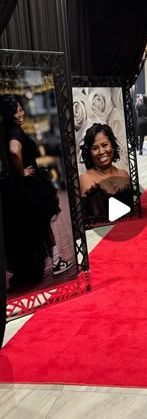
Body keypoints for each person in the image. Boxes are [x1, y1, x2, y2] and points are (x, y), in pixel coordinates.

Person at [0, 95, 72, 290]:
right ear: (9, 114)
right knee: (43, 222)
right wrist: (22, 171)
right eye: (16, 111)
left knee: (37, 225)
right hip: (29, 185)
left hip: (21, 187)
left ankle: (53, 261)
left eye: (21, 109)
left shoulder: (8, 130)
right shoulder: (15, 132)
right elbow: (14, 151)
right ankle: (57, 261)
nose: (21, 113)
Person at [79, 123, 132, 224]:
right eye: (95, 148)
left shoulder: (124, 174)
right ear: (89, 153)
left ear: (112, 146)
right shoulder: (85, 179)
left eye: (104, 145)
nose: (101, 151)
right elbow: (95, 219)